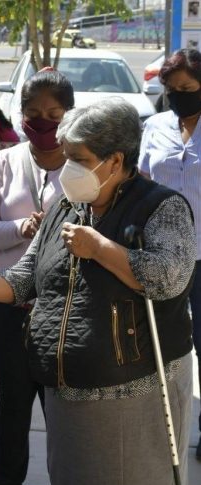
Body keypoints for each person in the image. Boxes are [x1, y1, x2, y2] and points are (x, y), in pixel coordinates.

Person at [0, 98, 195, 485]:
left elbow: (168, 279)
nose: (68, 169)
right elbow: (26, 276)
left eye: (79, 158)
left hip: (131, 390)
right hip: (66, 388)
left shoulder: (162, 208)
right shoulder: (67, 206)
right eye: (67, 156)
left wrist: (101, 248)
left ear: (115, 161)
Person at [0, 69, 73, 485]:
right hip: (6, 300)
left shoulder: (86, 163)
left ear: (70, 114)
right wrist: (21, 228)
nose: (43, 123)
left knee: (61, 406)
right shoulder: (3, 161)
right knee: (13, 397)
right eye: (33, 114)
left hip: (64, 303)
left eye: (53, 114)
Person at [138, 47, 201, 461]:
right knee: (159, 345)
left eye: (189, 88)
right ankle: (160, 427)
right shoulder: (155, 125)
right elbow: (141, 180)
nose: (179, 95)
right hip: (160, 254)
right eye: (172, 89)